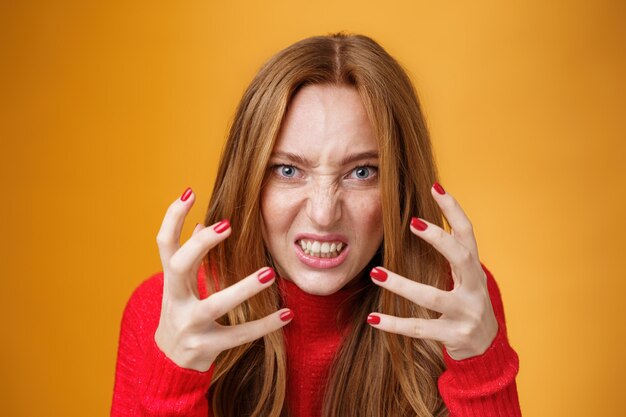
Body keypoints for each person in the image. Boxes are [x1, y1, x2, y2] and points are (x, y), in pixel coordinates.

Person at [111, 32, 521, 417]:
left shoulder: (455, 304)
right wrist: (173, 381)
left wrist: (480, 368)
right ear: (248, 179)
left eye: (362, 172)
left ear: (402, 185)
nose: (324, 215)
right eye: (288, 170)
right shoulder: (162, 312)